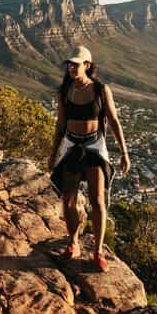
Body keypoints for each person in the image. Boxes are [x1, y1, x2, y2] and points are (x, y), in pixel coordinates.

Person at [48, 45, 130, 271]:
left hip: (94, 147)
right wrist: (54, 153)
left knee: (98, 201)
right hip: (72, 146)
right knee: (68, 199)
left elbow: (113, 121)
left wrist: (124, 152)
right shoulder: (65, 91)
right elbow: (60, 124)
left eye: (76, 64)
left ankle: (97, 251)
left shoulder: (101, 90)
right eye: (69, 64)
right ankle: (73, 242)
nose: (72, 68)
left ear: (88, 65)